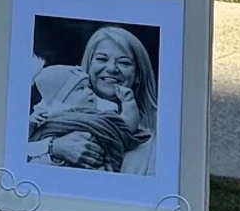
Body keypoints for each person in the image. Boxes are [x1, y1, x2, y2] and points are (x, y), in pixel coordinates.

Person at [29, 23, 156, 173]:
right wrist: (54, 147)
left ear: (138, 75)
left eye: (124, 62)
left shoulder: (156, 133)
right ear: (89, 66)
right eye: (102, 59)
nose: (111, 69)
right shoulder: (49, 107)